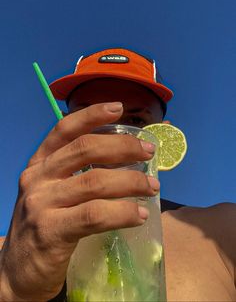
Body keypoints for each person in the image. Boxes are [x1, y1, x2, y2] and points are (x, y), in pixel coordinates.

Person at [0, 47, 235, 302]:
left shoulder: (223, 230)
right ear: (64, 125)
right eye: (88, 118)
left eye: (134, 121)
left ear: (161, 135)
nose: (111, 137)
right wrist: (11, 291)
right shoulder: (8, 255)